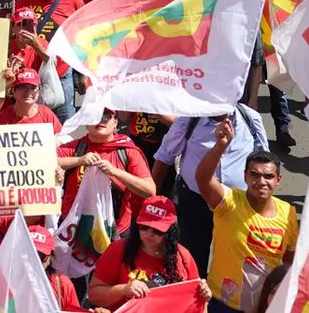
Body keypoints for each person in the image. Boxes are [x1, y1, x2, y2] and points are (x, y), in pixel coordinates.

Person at [151, 107, 269, 283]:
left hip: (237, 207)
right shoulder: (189, 120)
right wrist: (151, 198)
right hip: (194, 203)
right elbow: (164, 157)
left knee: (234, 260)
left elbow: (265, 162)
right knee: (192, 259)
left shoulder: (250, 118)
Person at [196, 120, 297, 313]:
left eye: (268, 177)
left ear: (278, 181)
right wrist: (220, 146)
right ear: (245, 177)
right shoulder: (230, 201)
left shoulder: (288, 213)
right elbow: (203, 179)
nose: (261, 182)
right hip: (222, 304)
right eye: (254, 175)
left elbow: (290, 263)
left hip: (264, 307)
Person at [88, 195, 209, 309]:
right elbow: (94, 295)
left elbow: (195, 300)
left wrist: (203, 294)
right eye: (144, 227)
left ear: (169, 232)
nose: (149, 234)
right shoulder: (118, 250)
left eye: (157, 230)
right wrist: (124, 290)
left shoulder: (183, 257)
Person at [58, 107, 156, 235]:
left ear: (115, 122)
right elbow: (45, 162)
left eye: (106, 116)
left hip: (114, 229)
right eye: (95, 115)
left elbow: (150, 191)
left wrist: (115, 172)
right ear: (87, 122)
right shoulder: (75, 147)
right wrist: (79, 161)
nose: (100, 120)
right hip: (74, 226)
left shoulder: (128, 151)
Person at [16, 0, 84, 122]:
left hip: (60, 77)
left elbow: (82, 43)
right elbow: (14, 33)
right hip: (30, 78)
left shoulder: (74, 2)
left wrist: (82, 75)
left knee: (63, 129)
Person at [0, 68, 62, 133]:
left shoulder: (46, 115)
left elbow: (64, 143)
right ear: (13, 91)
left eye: (33, 87)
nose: (28, 92)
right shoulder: (2, 118)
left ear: (39, 91)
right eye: (22, 87)